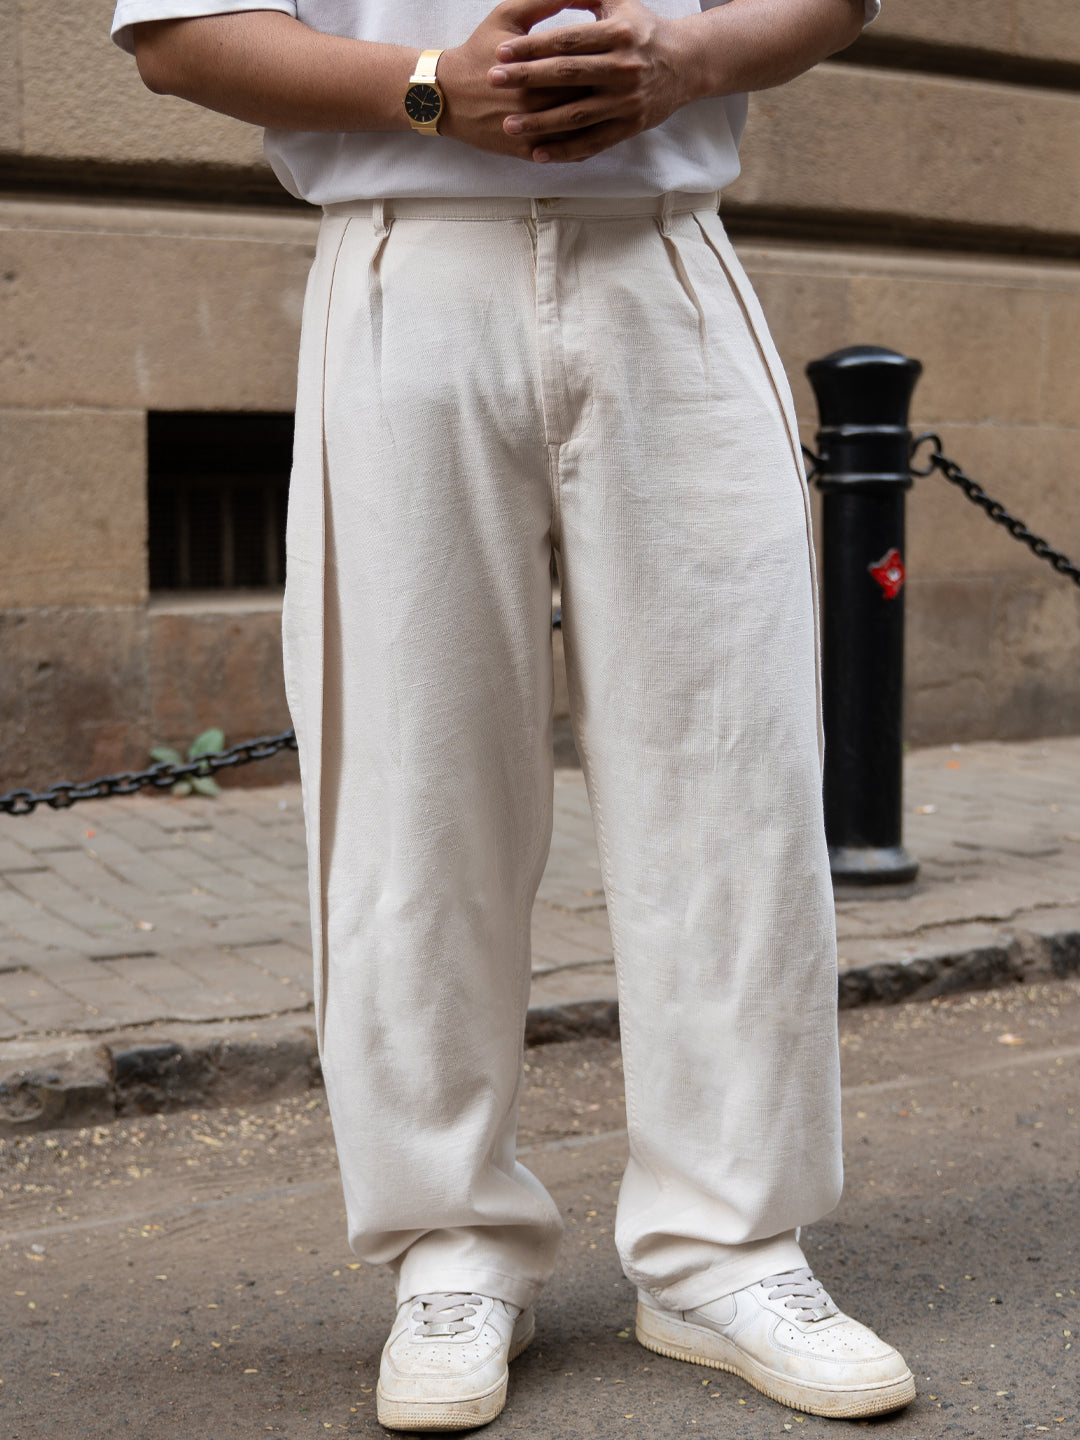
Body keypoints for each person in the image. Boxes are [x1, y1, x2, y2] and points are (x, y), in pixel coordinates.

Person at [112, 0, 916, 1429]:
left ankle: (728, 1246)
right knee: (413, 794)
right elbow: (178, 32)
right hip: (404, 257)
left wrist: (687, 61)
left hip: (665, 253)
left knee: (731, 784)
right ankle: (452, 1244)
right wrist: (431, 87)